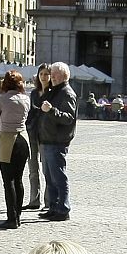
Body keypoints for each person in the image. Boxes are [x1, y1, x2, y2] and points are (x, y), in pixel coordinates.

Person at [36, 61, 78, 222]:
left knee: (58, 176)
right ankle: (53, 206)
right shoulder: (54, 91)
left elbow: (68, 118)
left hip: (57, 141)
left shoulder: (66, 93)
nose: (51, 76)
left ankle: (63, 208)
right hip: (47, 140)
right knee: (49, 176)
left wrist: (51, 110)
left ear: (64, 76)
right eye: (51, 73)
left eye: (55, 74)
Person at [0, 70, 32, 229]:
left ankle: (11, 218)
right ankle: (19, 215)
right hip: (23, 139)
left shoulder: (2, 99)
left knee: (9, 181)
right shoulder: (26, 99)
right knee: (19, 178)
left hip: (8, 139)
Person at [25, 66, 50, 210]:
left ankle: (48, 201)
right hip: (32, 132)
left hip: (47, 134)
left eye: (46, 74)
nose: (44, 77)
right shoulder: (34, 93)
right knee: (33, 167)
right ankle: (34, 200)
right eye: (41, 74)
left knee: (47, 168)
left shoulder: (53, 92)